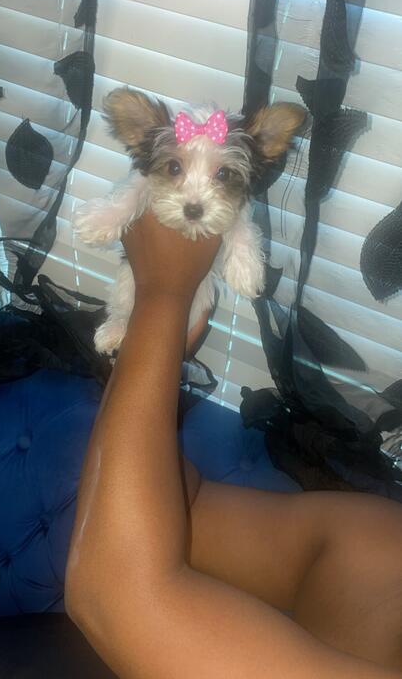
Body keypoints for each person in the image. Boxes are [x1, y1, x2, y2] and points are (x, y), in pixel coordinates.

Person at [65, 212, 402, 679]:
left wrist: (163, 295)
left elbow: (108, 598)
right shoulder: (385, 550)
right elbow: (188, 510)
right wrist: (152, 345)